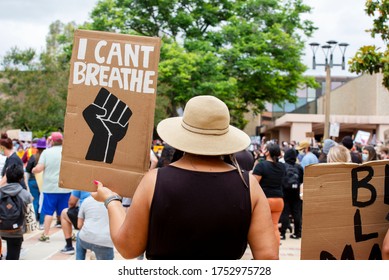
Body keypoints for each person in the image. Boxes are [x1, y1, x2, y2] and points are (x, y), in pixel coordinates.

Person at [91, 95, 278, 260]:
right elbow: (267, 256)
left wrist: (111, 200)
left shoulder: (154, 180)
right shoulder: (249, 185)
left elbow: (128, 248)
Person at [32, 132, 71, 242]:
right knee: (65, 212)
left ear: (52, 141)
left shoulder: (46, 152)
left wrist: (34, 170)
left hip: (50, 188)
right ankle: (69, 234)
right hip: (65, 187)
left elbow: (40, 168)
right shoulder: (67, 152)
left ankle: (46, 234)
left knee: (48, 212)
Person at [252, 142, 286, 245]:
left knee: (260, 229)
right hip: (279, 200)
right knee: (274, 226)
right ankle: (275, 253)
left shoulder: (261, 166)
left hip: (265, 200)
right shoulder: (282, 166)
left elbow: (254, 184)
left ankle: (261, 254)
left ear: (267, 152)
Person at [0, 164, 33, 260]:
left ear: (6, 177)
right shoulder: (26, 194)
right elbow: (30, 215)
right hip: (17, 230)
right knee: (13, 256)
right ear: (20, 178)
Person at [76, 196, 114, 260]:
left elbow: (79, 225)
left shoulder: (86, 201)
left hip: (85, 238)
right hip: (105, 242)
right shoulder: (114, 202)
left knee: (79, 235)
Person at [279, 148, 303, 240]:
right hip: (296, 192)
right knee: (296, 212)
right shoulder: (299, 167)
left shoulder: (282, 166)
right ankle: (297, 233)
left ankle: (283, 233)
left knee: (285, 212)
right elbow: (301, 180)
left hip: (285, 191)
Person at [60, 190, 91, 254]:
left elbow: (72, 202)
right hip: (106, 215)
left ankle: (69, 246)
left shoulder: (80, 181)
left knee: (64, 213)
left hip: (84, 216)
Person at [25, 137, 47, 227]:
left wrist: (26, 184)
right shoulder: (46, 157)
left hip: (33, 181)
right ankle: (42, 223)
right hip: (44, 181)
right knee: (43, 201)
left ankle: (35, 220)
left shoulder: (33, 157)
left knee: (35, 201)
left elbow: (27, 170)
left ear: (37, 148)